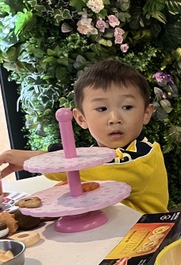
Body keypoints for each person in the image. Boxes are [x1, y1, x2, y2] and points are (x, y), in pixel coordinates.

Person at [0, 59, 169, 214]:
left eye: (127, 107)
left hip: (150, 232)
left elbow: (106, 173)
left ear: (146, 113)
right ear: (81, 119)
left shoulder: (144, 155)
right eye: (102, 109)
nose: (114, 119)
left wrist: (36, 159)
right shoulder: (96, 153)